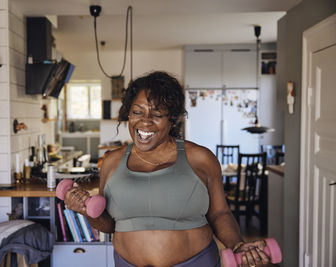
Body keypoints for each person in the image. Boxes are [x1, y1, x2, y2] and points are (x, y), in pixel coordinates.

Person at [65, 71, 270, 267]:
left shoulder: (200, 158)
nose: (145, 121)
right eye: (137, 112)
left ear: (172, 118)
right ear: (128, 113)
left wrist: (237, 245)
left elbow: (220, 213)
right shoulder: (111, 162)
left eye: (156, 114)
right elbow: (109, 224)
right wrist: (86, 211)